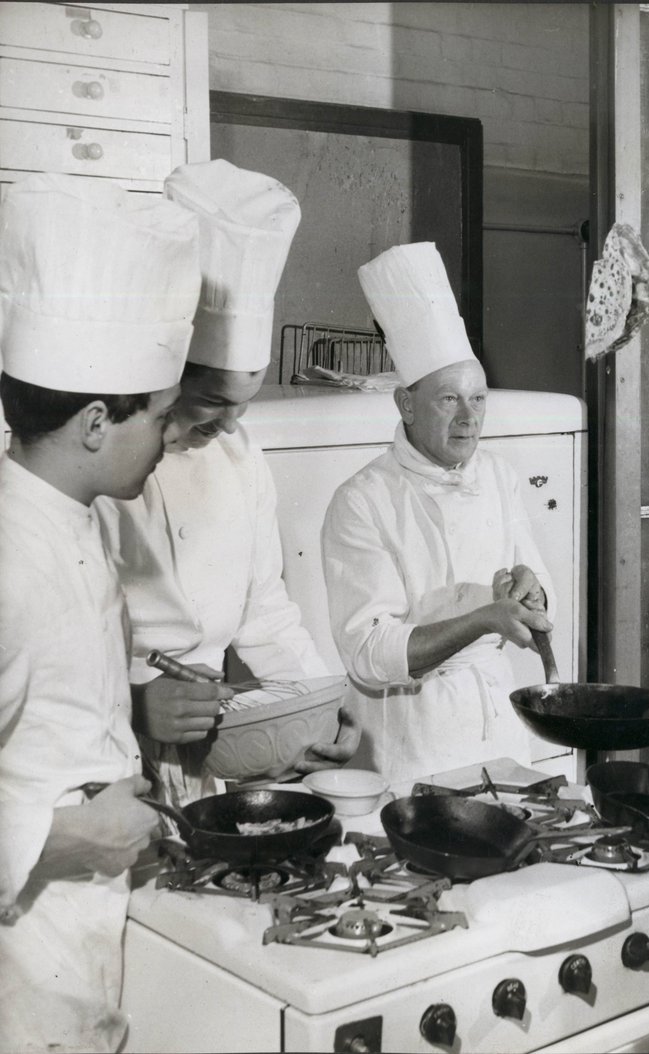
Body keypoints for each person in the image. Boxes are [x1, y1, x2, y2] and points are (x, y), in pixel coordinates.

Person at [0, 174, 199, 1052]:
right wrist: (70, 839)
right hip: (23, 951)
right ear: (92, 423)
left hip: (81, 929)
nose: (168, 439)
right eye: (158, 417)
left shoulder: (78, 523)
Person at [94, 159, 358, 809]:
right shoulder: (96, 465)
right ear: (167, 373)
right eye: (213, 401)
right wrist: (129, 701)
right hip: (101, 757)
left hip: (203, 755)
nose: (231, 425)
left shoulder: (239, 457)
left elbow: (263, 607)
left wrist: (323, 702)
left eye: (246, 401)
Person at [321, 242, 553, 785]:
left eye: (479, 399)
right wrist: (482, 618)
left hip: (502, 735)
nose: (469, 418)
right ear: (405, 403)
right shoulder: (363, 499)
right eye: (449, 399)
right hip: (413, 748)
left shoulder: (496, 474)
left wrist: (530, 590)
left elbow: (543, 599)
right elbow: (369, 654)